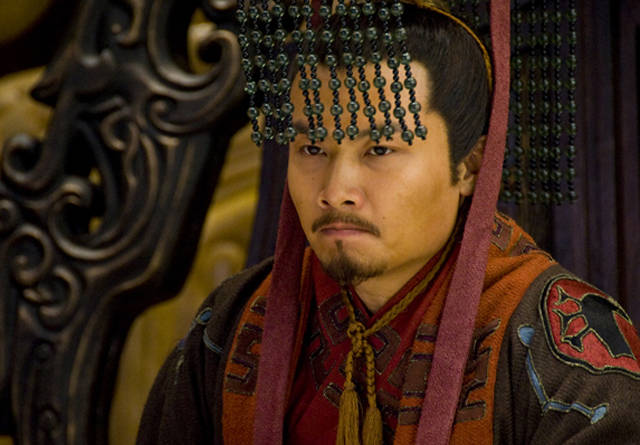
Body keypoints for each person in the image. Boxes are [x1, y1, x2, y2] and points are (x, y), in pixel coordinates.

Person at [136, 1, 640, 444]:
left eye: (379, 149)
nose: (335, 190)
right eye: (311, 148)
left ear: (469, 165)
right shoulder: (230, 323)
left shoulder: (563, 342)